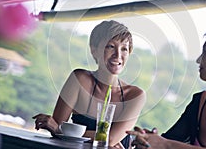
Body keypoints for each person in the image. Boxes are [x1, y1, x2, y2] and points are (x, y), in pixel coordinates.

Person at [33, 20, 146, 149]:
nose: (118, 55)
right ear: (94, 50)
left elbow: (112, 139)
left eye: (124, 49)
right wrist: (60, 129)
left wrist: (63, 131)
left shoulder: (135, 95)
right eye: (110, 46)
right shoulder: (79, 79)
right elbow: (56, 125)